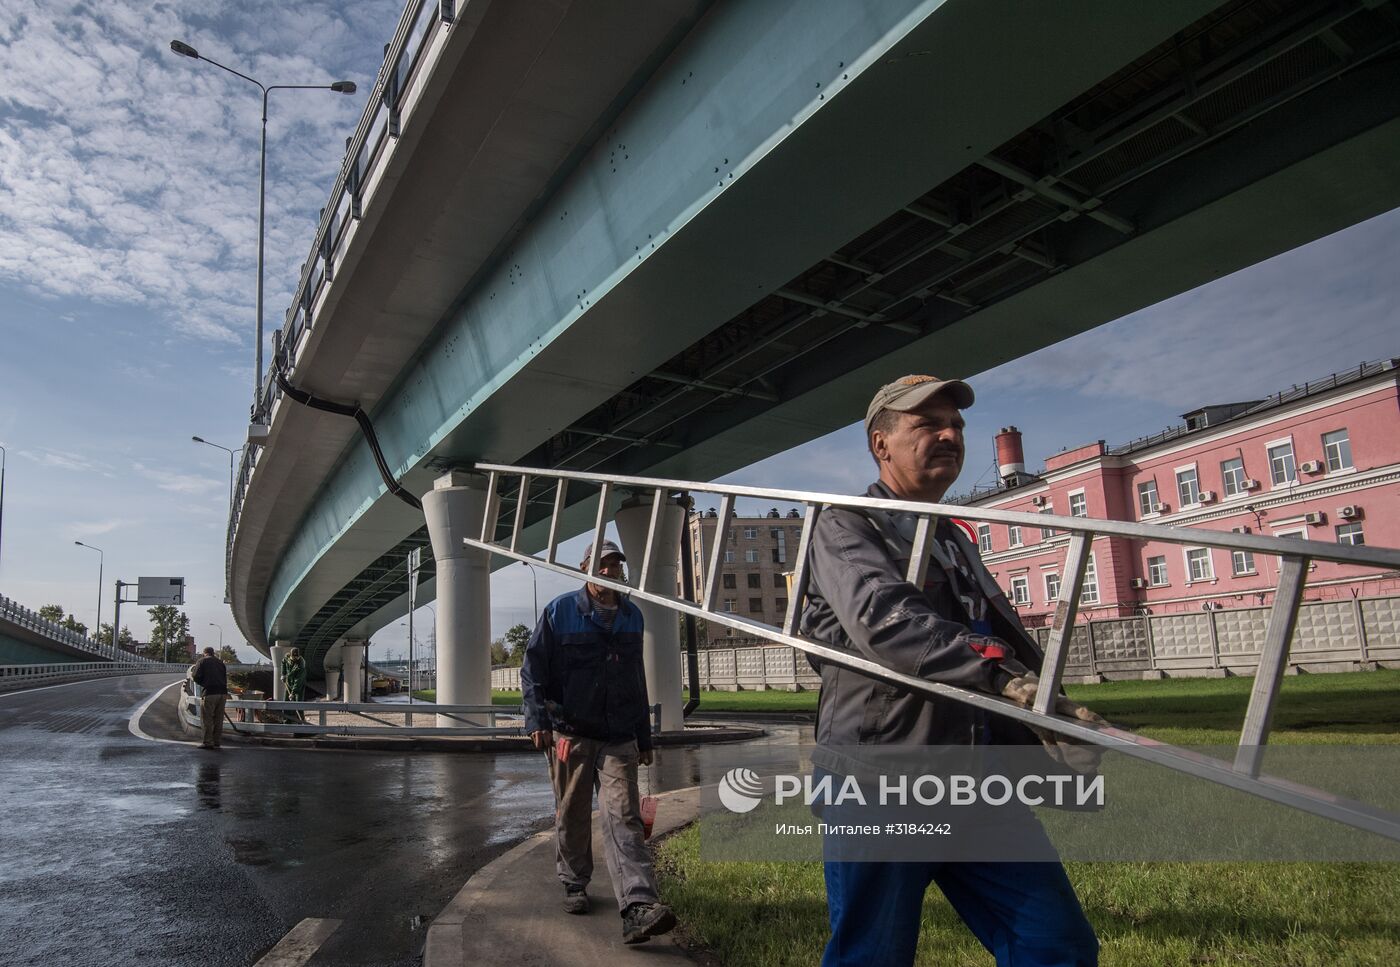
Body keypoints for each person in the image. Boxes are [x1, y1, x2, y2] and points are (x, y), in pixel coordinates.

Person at [801, 374, 1105, 967]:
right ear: (880, 444)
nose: (949, 435)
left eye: (957, 426)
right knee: (872, 956)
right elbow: (888, 622)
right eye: (927, 424)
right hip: (881, 780)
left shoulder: (951, 538)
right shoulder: (846, 524)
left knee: (1057, 946)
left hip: (977, 780)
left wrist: (1048, 711)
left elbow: (995, 634)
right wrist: (1000, 679)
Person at [520, 539, 677, 945]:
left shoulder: (631, 617)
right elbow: (532, 668)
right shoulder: (560, 611)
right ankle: (574, 882)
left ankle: (637, 906)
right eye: (602, 566)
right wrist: (537, 718)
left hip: (618, 734)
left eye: (615, 566)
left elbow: (636, 680)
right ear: (586, 569)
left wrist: (644, 735)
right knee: (571, 811)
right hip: (569, 732)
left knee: (623, 814)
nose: (609, 572)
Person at [190, 646, 229, 750]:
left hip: (210, 693)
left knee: (207, 719)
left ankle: (208, 742)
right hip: (222, 693)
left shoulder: (202, 661)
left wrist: (204, 684)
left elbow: (195, 676)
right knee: (218, 718)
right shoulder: (220, 662)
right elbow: (225, 678)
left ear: (205, 653)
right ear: (213, 653)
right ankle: (217, 741)